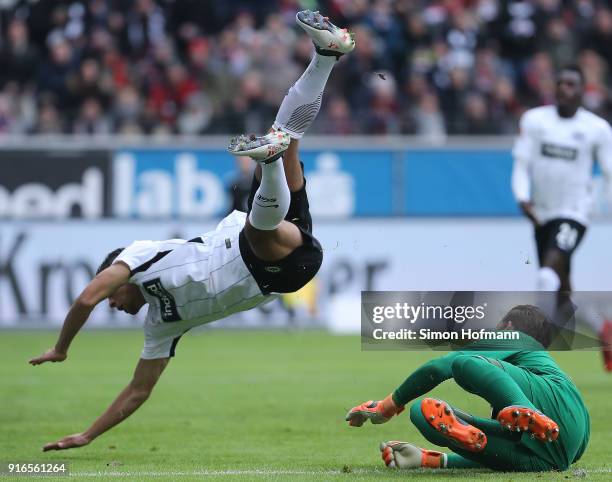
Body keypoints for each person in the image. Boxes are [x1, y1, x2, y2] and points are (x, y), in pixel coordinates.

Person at [28, 9, 355, 452]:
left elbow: (88, 295)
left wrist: (62, 346)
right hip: (275, 268)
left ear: (118, 273)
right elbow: (138, 391)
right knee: (259, 224)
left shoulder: (140, 256)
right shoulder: (160, 327)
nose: (114, 306)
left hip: (276, 235)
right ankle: (270, 160)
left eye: (114, 298)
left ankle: (325, 56)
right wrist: (88, 435)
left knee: (288, 134)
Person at [346, 305, 589, 472]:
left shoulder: (517, 339)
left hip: (549, 403)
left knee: (464, 363)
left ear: (508, 327)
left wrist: (388, 406)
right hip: (557, 453)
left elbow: (441, 367)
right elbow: (497, 462)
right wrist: (432, 460)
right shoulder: (524, 386)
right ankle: (435, 452)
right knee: (422, 411)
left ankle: (525, 408)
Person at [511, 65, 612, 366]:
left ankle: (531, 348)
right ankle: (603, 329)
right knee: (561, 292)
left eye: (572, 84)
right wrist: (522, 197)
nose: (566, 89)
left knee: (547, 273)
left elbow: (609, 172)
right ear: (554, 89)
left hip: (575, 213)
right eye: (561, 84)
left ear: (583, 90)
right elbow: (520, 164)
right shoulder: (534, 121)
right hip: (541, 213)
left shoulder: (597, 129)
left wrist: (599, 204)